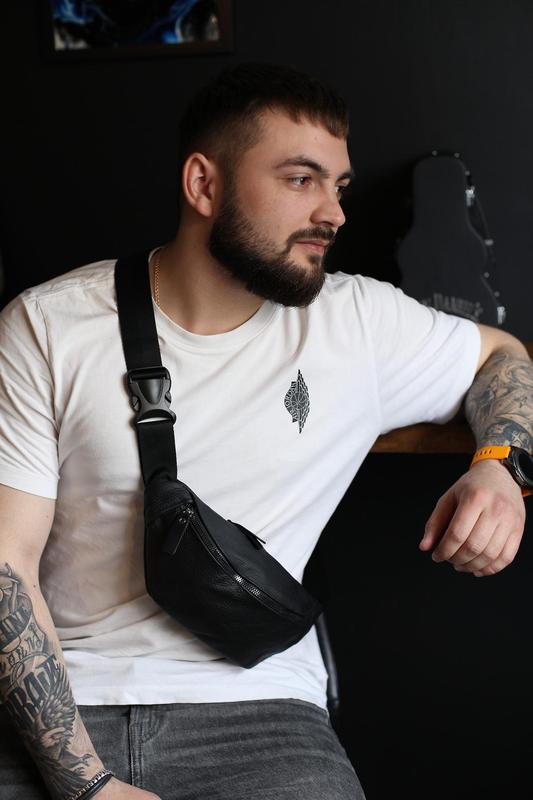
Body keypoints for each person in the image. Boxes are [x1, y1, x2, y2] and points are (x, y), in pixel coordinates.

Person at [0, 62, 531, 800]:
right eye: (300, 179)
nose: (333, 213)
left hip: (260, 711)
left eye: (338, 187)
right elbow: (5, 563)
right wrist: (85, 784)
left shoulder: (356, 321)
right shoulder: (48, 325)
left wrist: (500, 464)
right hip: (55, 703)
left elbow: (503, 356)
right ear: (203, 185)